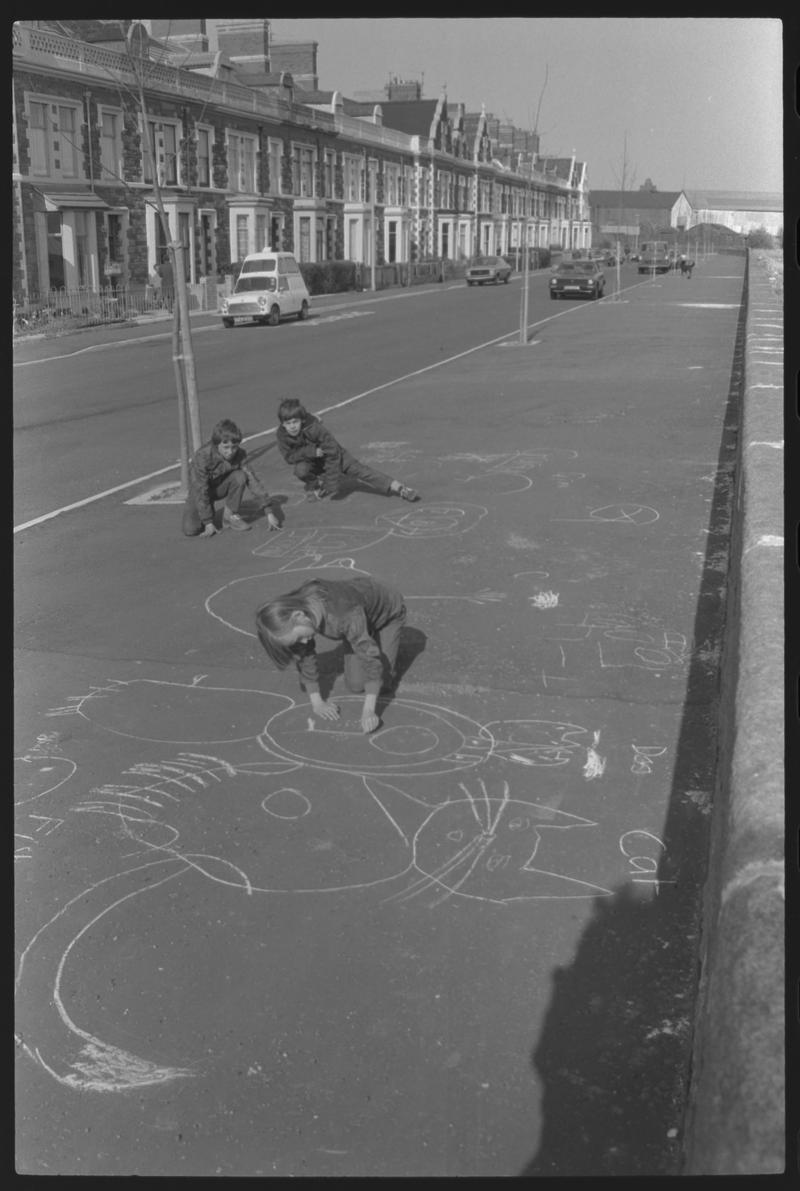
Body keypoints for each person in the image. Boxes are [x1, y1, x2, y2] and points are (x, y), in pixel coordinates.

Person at [256, 576, 407, 734]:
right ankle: (361, 635)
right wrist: (317, 703)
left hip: (388, 614)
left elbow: (371, 660)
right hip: (358, 622)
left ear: (299, 616)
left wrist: (369, 710)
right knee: (356, 685)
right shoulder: (294, 613)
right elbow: (304, 655)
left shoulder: (345, 614)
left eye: (300, 637)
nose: (302, 642)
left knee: (382, 684)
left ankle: (372, 637)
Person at [275, 398, 419, 503]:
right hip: (312, 459)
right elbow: (289, 457)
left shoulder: (315, 429)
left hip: (334, 455)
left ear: (302, 420)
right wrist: (311, 452)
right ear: (282, 424)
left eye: (295, 422)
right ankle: (316, 484)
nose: (292, 426)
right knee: (301, 470)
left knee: (362, 472)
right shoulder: (281, 435)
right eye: (288, 423)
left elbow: (333, 453)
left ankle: (401, 488)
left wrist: (331, 481)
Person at [182, 418, 280, 537]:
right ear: (217, 444)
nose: (230, 452)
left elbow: (252, 480)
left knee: (240, 476)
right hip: (200, 492)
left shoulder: (240, 454)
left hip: (220, 487)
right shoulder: (203, 457)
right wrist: (208, 522)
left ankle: (230, 517)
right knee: (191, 530)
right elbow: (200, 489)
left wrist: (268, 511)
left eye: (234, 447)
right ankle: (208, 514)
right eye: (226, 447)